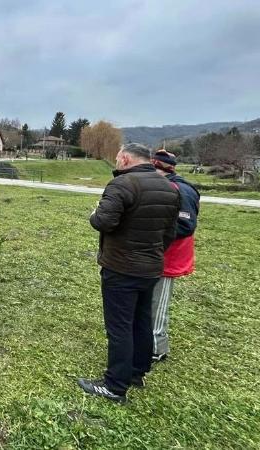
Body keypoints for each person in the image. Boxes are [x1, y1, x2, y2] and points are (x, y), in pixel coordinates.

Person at [77, 143, 180, 403]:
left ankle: (115, 385)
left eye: (116, 157)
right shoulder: (168, 187)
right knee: (141, 320)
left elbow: (104, 221)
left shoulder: (121, 185)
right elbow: (170, 232)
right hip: (151, 268)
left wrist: (94, 213)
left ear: (124, 158)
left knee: (119, 326)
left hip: (121, 268)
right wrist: (152, 253)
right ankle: (137, 371)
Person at [150, 150, 200, 362]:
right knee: (149, 300)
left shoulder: (181, 190)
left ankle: (157, 347)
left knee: (158, 303)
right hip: (155, 254)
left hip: (169, 255)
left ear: (158, 167)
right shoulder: (166, 186)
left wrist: (153, 235)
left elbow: (185, 225)